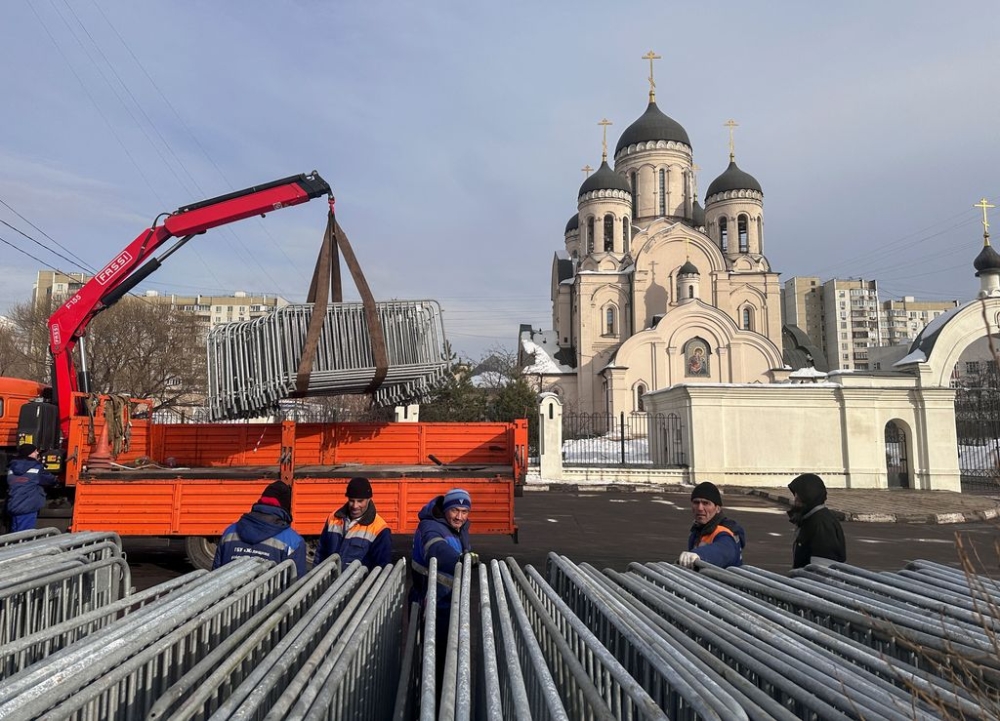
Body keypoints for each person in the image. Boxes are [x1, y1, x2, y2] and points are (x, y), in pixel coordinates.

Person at [213, 480, 307, 578]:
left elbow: (215, 575)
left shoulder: (229, 532)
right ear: (286, 507)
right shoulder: (293, 541)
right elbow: (297, 583)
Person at [315, 476, 391, 570]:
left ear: (369, 499)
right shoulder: (333, 518)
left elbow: (381, 568)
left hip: (360, 584)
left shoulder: (380, 529)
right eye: (351, 500)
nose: (355, 506)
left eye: (360, 501)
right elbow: (321, 553)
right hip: (331, 582)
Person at [678, 481, 746, 569]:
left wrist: (700, 554)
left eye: (706, 503)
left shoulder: (725, 533)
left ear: (718, 509)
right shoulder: (697, 530)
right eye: (696, 502)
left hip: (722, 581)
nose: (700, 508)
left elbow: (723, 550)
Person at [787, 473, 847, 569]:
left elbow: (823, 569)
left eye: (799, 498)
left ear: (809, 496)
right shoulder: (810, 518)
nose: (795, 501)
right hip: (806, 580)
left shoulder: (821, 523)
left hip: (813, 582)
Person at [6, 443, 57, 532]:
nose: (37, 453)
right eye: (35, 451)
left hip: (13, 505)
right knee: (25, 536)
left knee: (14, 536)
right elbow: (51, 480)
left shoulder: (11, 467)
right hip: (28, 507)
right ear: (30, 453)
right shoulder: (36, 467)